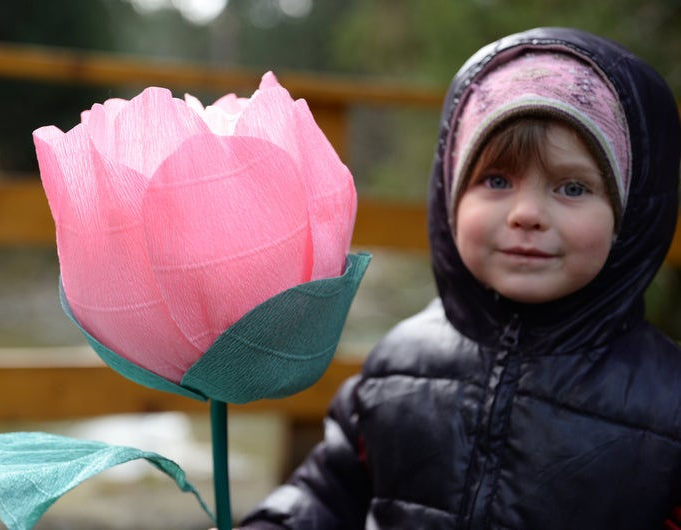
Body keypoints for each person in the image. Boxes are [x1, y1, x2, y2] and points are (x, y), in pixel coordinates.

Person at [239, 27, 681, 529]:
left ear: (632, 216)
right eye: (496, 180)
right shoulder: (396, 367)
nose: (527, 213)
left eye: (573, 187)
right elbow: (326, 494)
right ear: (449, 193)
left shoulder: (668, 405)